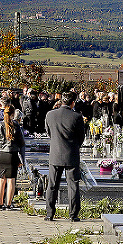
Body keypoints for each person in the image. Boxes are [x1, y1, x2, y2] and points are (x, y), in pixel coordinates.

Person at [45, 90, 85, 222]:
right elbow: (81, 137)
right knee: (73, 186)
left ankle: (49, 214)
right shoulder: (77, 117)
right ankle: (73, 215)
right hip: (71, 154)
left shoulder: (50, 115)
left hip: (55, 153)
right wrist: (73, 146)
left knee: (52, 185)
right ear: (73, 103)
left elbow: (49, 132)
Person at [0, 104, 24, 209]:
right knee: (11, 180)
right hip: (12, 154)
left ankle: (0, 203)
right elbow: (21, 142)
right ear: (13, 114)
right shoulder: (16, 126)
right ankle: (8, 204)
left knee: (1, 179)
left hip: (1, 154)